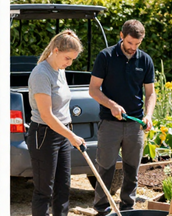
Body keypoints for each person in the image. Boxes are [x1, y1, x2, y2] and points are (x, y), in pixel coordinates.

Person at [89, 20, 156, 215]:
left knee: (132, 170)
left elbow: (150, 93)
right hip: (110, 124)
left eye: (137, 44)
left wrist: (149, 115)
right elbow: (93, 89)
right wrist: (111, 105)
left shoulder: (145, 60)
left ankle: (128, 208)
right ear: (121, 36)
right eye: (129, 43)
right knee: (105, 169)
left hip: (135, 125)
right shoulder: (106, 57)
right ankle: (101, 209)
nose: (133, 48)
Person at [28, 30, 86, 216]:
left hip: (62, 133)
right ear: (55, 50)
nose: (69, 63)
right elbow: (47, 115)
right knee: (44, 190)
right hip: (44, 135)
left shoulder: (60, 70)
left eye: (72, 60)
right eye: (67, 58)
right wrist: (71, 136)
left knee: (63, 188)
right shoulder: (41, 74)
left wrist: (68, 134)